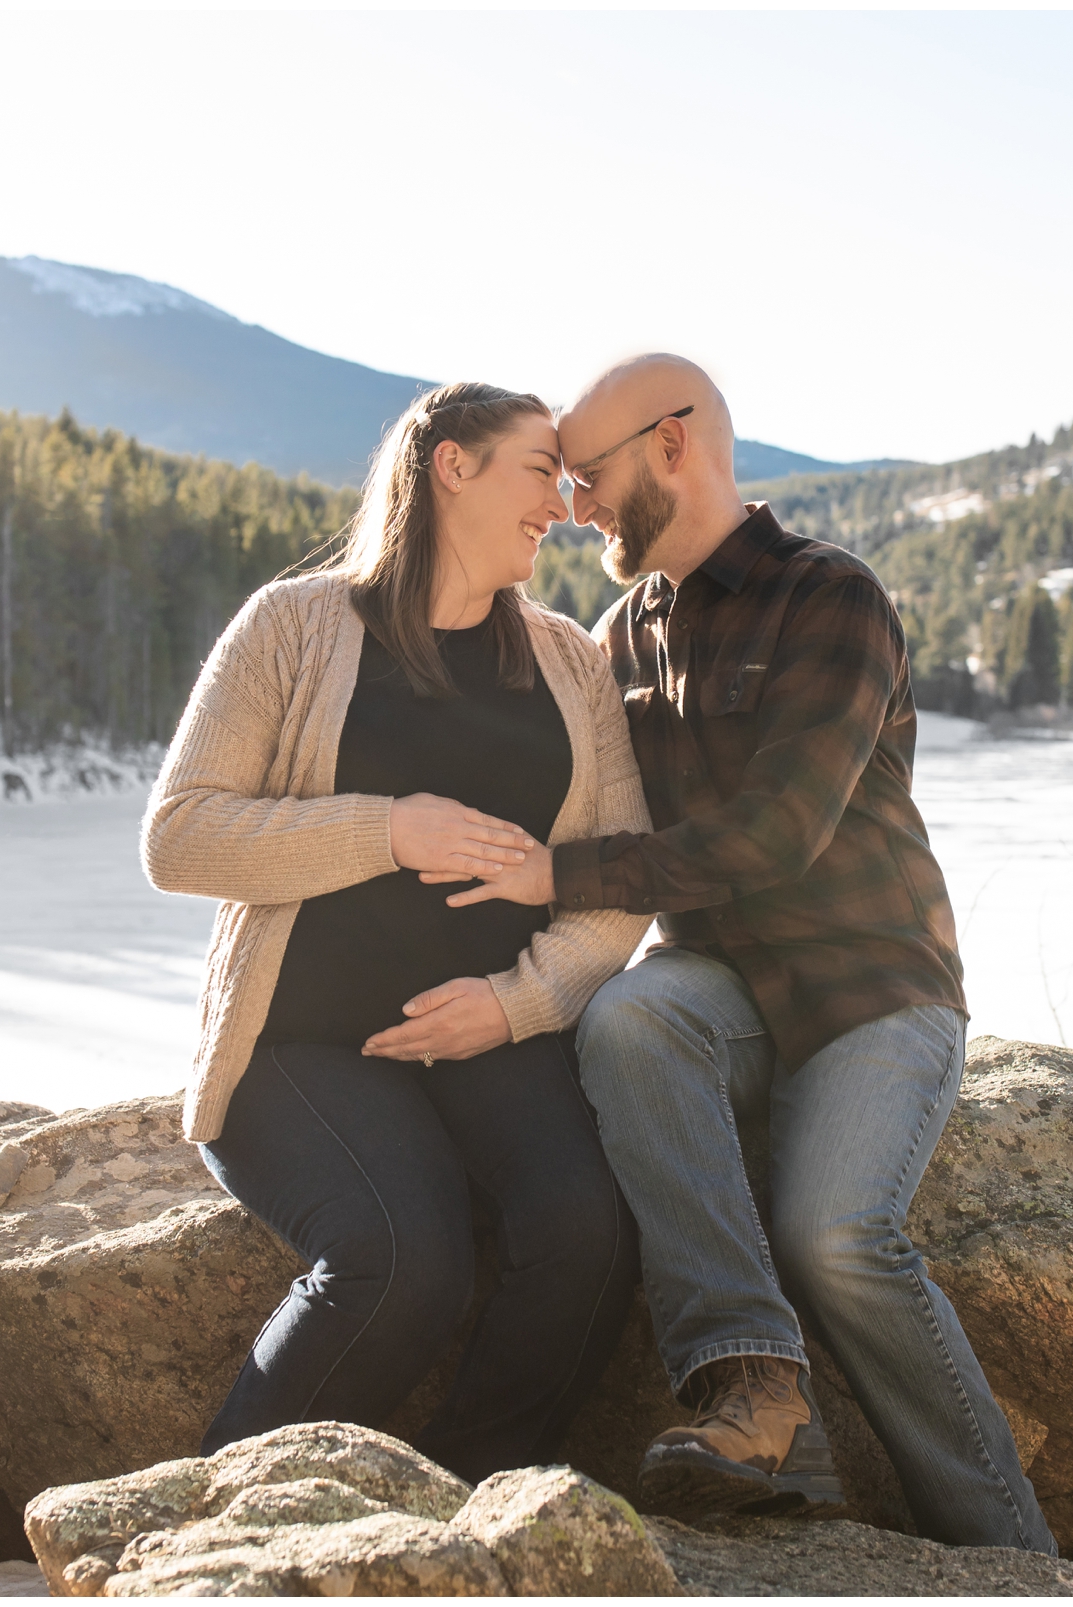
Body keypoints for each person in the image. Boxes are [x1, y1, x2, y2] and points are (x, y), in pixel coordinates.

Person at [444, 354, 1056, 1552]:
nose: (576, 506)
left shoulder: (831, 596)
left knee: (836, 1235)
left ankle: (1016, 1556)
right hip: (721, 992)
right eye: (561, 484)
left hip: (871, 986)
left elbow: (777, 835)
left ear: (675, 444)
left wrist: (558, 876)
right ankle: (763, 1404)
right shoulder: (622, 635)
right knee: (629, 1018)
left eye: (592, 474)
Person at [139, 381, 653, 1482]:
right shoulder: (294, 626)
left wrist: (514, 1004)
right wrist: (390, 829)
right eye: (537, 471)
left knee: (592, 1235)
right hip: (300, 1044)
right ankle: (199, 1525)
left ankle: (465, 1512)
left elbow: (617, 882)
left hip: (495, 1033)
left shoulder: (568, 660)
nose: (561, 507)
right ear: (450, 465)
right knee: (401, 1259)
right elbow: (179, 836)